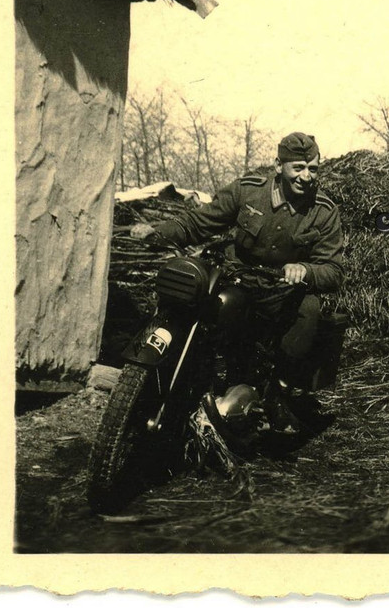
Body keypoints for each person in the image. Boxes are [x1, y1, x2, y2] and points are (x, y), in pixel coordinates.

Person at [130, 131, 346, 433]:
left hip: (283, 291)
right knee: (201, 312)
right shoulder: (248, 191)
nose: (306, 176)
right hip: (238, 278)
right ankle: (192, 381)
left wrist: (305, 270)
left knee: (308, 312)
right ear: (278, 165)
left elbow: (334, 270)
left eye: (313, 169)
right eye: (298, 167)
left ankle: (277, 393)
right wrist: (159, 232)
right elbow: (200, 222)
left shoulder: (323, 210)